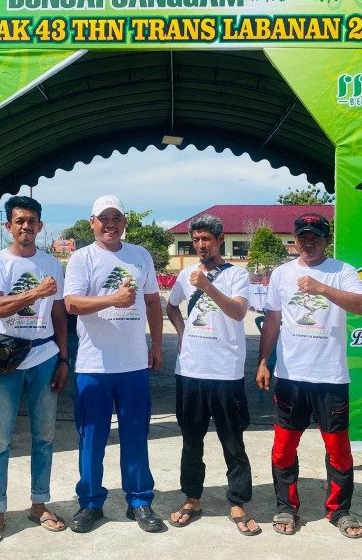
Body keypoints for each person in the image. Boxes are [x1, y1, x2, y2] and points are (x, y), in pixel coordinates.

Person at [255, 212, 362, 538]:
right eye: (302, 236)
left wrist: (322, 288)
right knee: (283, 448)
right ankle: (286, 507)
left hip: (330, 377)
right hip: (290, 377)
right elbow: (273, 321)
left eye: (315, 237)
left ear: (326, 240)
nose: (308, 242)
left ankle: (339, 511)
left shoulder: (342, 271)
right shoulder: (281, 274)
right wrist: (264, 361)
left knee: (338, 449)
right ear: (294, 238)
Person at [63, 195, 164, 533]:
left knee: (136, 435)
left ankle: (139, 501)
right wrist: (113, 299)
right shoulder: (81, 258)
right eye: (103, 218)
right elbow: (72, 304)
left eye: (116, 217)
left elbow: (152, 301)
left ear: (124, 222)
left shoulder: (140, 256)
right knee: (92, 437)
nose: (110, 224)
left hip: (133, 364)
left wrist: (157, 344)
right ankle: (90, 503)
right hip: (94, 366)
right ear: (92, 222)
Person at [0, 196, 69, 543]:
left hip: (45, 356)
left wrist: (63, 358)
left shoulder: (53, 264)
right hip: (5, 359)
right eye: (20, 221)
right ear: (8, 226)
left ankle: (39, 504)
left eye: (32, 221)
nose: (26, 227)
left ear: (40, 226)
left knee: (44, 437)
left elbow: (58, 314)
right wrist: (36, 292)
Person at [165, 214, 261, 536]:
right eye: (196, 240)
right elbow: (172, 307)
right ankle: (192, 498)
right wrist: (180, 334)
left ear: (219, 240)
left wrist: (207, 287)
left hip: (225, 372)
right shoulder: (185, 274)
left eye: (207, 239)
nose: (201, 245)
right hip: (190, 370)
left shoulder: (237, 274)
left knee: (232, 440)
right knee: (191, 440)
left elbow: (237, 312)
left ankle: (237, 500)